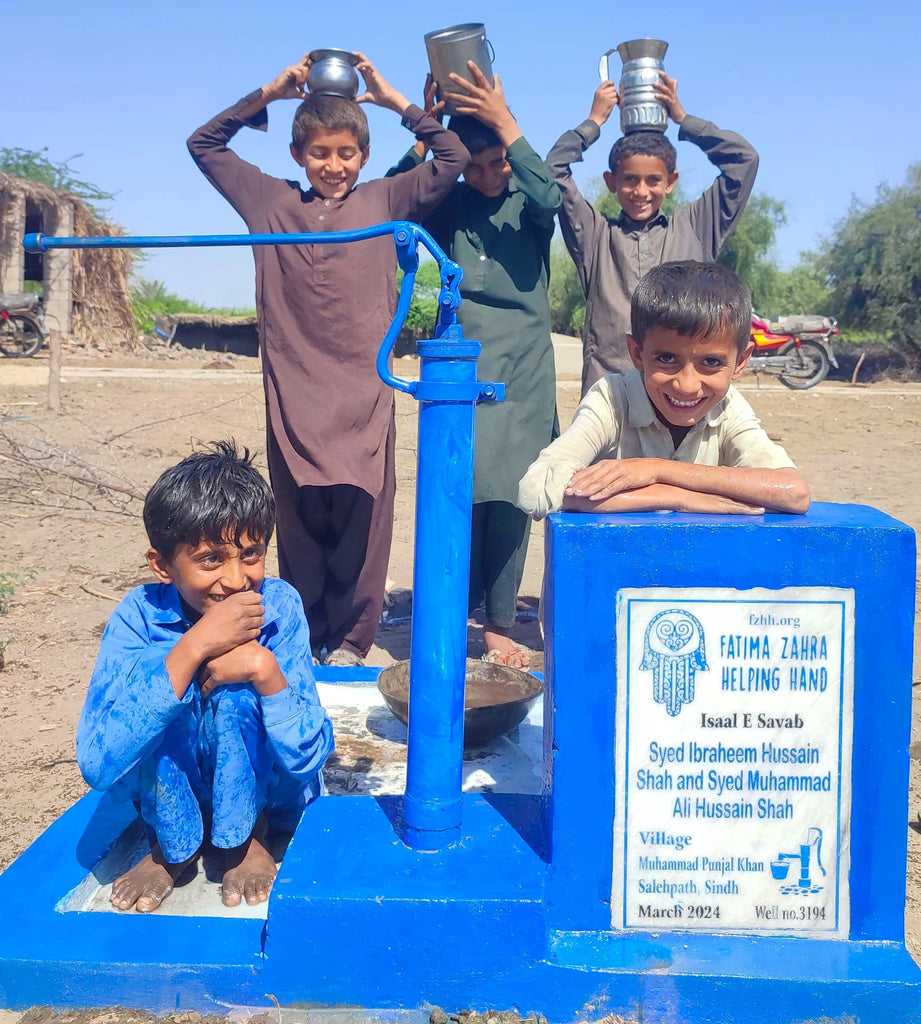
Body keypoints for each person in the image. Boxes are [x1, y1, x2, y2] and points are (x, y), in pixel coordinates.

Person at [187, 54, 468, 667]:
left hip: (363, 390)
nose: (333, 166)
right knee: (299, 517)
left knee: (362, 518)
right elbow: (204, 144)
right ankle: (307, 635)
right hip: (294, 390)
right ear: (298, 156)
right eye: (320, 153)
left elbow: (453, 158)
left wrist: (395, 101)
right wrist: (272, 91)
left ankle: (351, 640)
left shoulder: (387, 198)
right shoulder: (269, 203)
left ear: (364, 157)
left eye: (346, 153)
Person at [77, 441, 334, 913]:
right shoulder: (139, 617)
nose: (237, 580)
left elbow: (306, 761)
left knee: (239, 694)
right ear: (163, 566)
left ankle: (246, 835)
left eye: (251, 554)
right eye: (211, 559)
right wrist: (194, 649)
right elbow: (99, 763)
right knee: (163, 686)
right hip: (174, 790)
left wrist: (265, 670)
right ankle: (173, 842)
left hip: (269, 792)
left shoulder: (280, 607)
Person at [388, 63, 561, 668]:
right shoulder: (451, 201)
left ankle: (499, 624)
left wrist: (505, 120)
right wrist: (426, 129)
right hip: (460, 360)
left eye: (498, 163)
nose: (488, 175)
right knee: (457, 488)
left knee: (513, 499)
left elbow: (551, 193)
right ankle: (448, 611)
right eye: (474, 164)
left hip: (524, 370)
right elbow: (397, 198)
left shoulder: (528, 203)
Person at [517, 261, 810, 519]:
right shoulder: (611, 400)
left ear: (741, 362)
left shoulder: (728, 407)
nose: (687, 384)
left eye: (710, 362)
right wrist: (679, 497)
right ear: (636, 353)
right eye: (667, 359)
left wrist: (657, 470)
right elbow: (536, 489)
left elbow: (793, 493)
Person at [547, 71, 759, 395]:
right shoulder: (596, 236)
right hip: (609, 397)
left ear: (670, 182)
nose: (641, 191)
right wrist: (593, 121)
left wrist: (683, 118)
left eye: (653, 181)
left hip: (682, 395)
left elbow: (744, 162)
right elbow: (553, 171)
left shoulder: (696, 227)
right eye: (630, 179)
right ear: (611, 182)